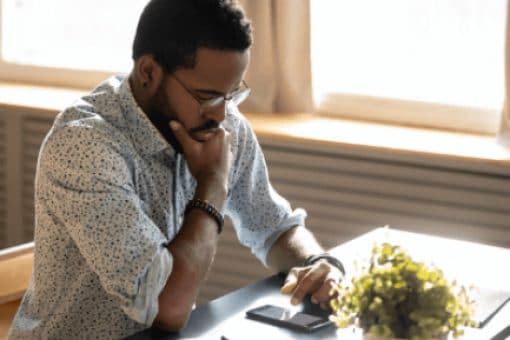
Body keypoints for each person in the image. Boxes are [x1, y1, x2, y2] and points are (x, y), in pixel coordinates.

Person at [8, 0, 344, 338]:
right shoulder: (83, 146)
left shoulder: (218, 121)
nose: (221, 115)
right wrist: (213, 184)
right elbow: (167, 308)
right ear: (148, 72)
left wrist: (318, 263)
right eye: (207, 96)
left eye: (232, 95)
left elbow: (272, 225)